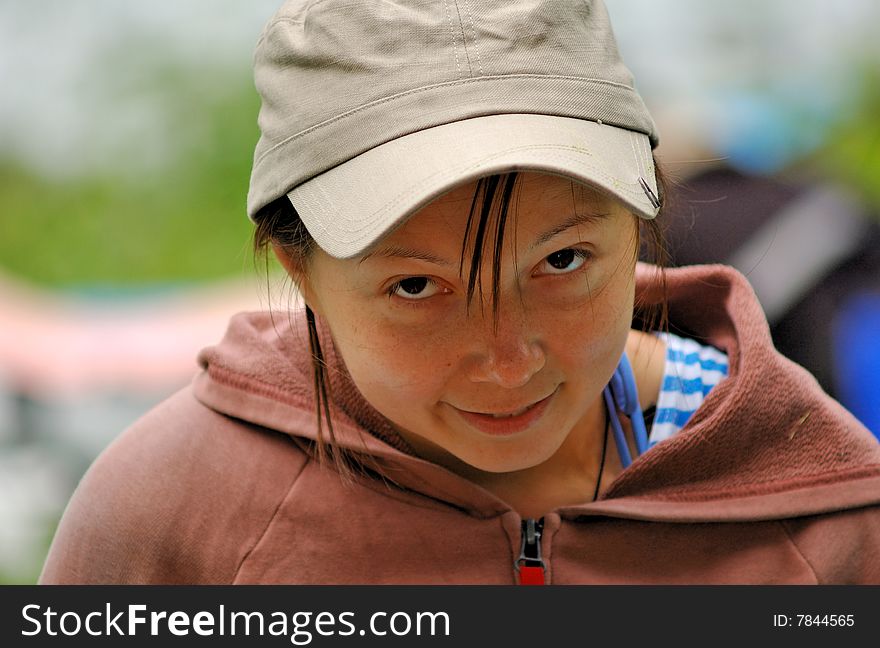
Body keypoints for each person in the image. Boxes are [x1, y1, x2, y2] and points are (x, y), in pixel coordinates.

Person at [40, 0, 880, 585]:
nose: (507, 357)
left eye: (562, 262)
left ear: (640, 222)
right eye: (416, 284)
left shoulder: (818, 507)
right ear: (304, 274)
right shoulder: (171, 516)